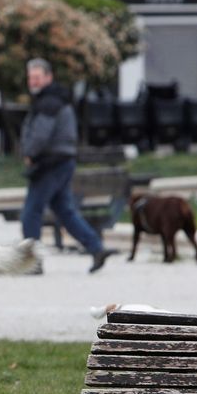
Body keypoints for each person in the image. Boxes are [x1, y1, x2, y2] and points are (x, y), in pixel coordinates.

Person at [19, 58, 114, 274]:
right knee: (65, 211)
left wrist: (29, 153)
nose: (33, 82)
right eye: (31, 78)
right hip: (63, 161)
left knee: (31, 213)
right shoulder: (56, 98)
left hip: (50, 163)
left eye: (37, 77)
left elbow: (41, 134)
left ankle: (33, 262)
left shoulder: (49, 102)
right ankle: (96, 248)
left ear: (48, 77)